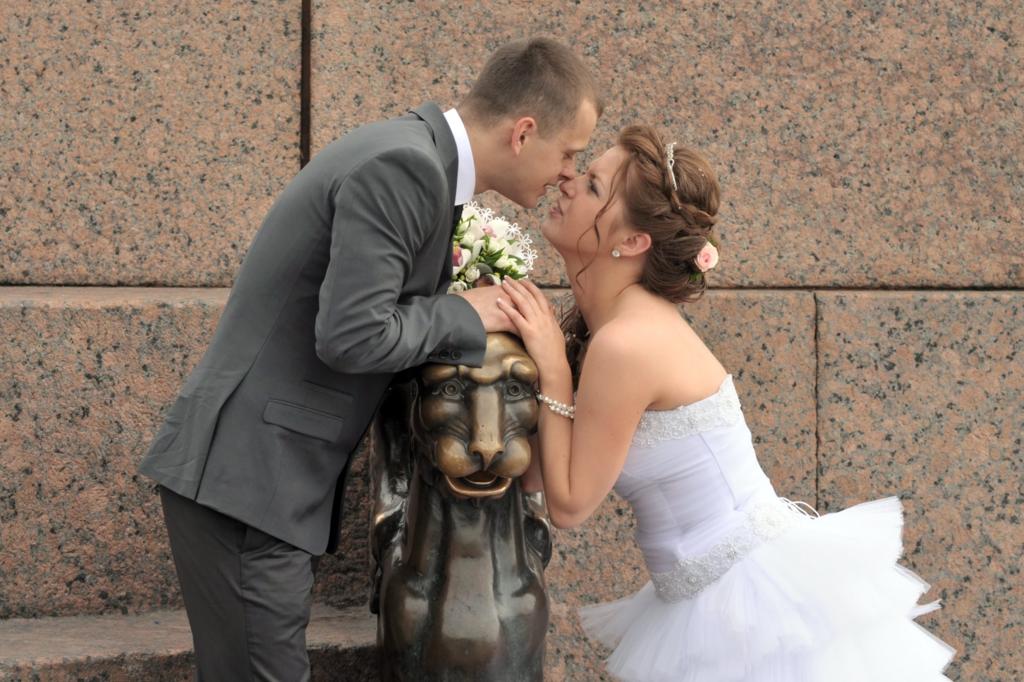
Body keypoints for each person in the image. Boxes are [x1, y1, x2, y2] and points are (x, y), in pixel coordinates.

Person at [138, 37, 601, 680]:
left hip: (256, 482)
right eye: (570, 153)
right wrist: (467, 312)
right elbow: (352, 335)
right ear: (523, 133)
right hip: (248, 482)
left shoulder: (413, 155)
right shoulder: (405, 167)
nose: (569, 174)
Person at [499, 125, 955, 681]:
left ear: (633, 242)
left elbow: (570, 505)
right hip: (702, 595)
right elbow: (537, 473)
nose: (568, 182)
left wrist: (551, 365)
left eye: (593, 185)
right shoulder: (613, 328)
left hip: (747, 605)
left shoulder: (626, 342)